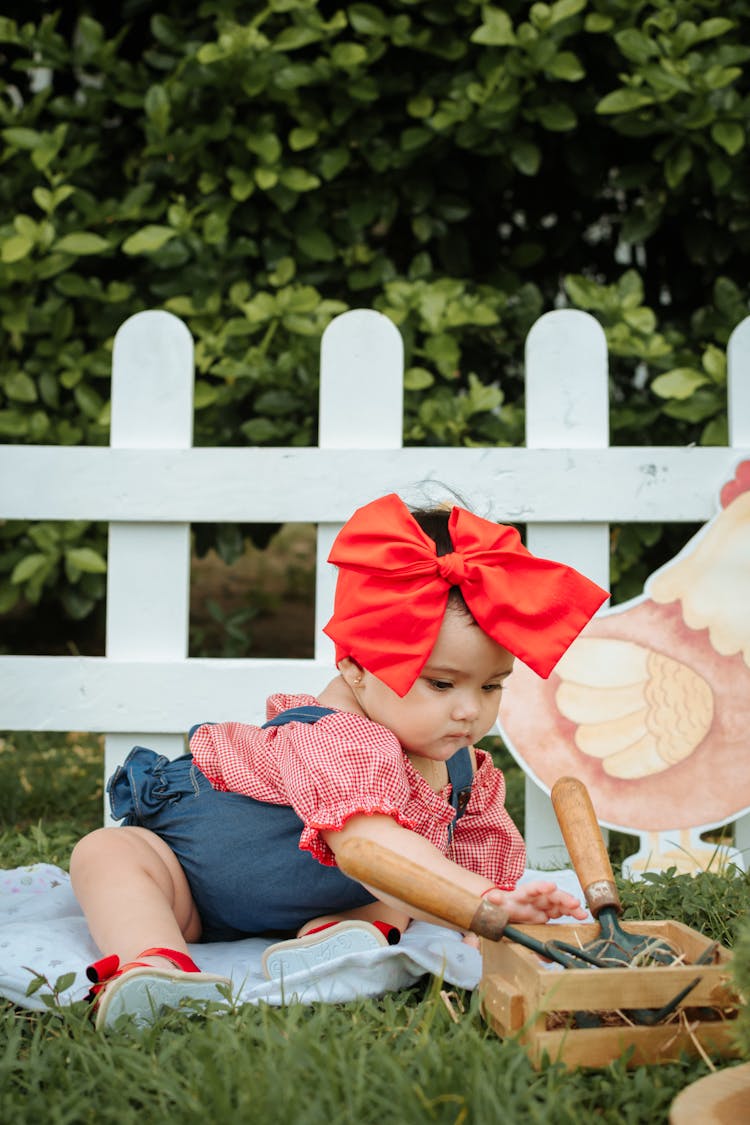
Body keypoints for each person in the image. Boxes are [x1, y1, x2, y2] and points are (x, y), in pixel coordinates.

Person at [70, 492, 608, 1028]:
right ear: (355, 666)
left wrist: (493, 918)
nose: (469, 710)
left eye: (492, 685)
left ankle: (339, 933)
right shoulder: (337, 738)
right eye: (441, 683)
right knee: (108, 853)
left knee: (418, 874)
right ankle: (155, 961)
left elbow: (472, 854)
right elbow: (367, 847)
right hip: (189, 883)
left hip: (317, 900)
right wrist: (483, 902)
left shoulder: (463, 770)